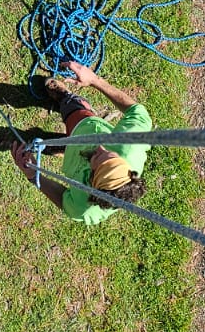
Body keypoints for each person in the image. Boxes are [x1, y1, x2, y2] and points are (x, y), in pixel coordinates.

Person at [11, 61, 154, 225]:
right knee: (73, 110)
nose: (100, 146)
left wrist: (33, 176)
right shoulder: (129, 144)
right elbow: (138, 112)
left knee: (72, 143)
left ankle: (63, 147)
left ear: (92, 182)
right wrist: (94, 80)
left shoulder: (84, 208)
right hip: (85, 127)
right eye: (109, 153)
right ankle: (67, 98)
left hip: (74, 158)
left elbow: (63, 200)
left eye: (98, 157)